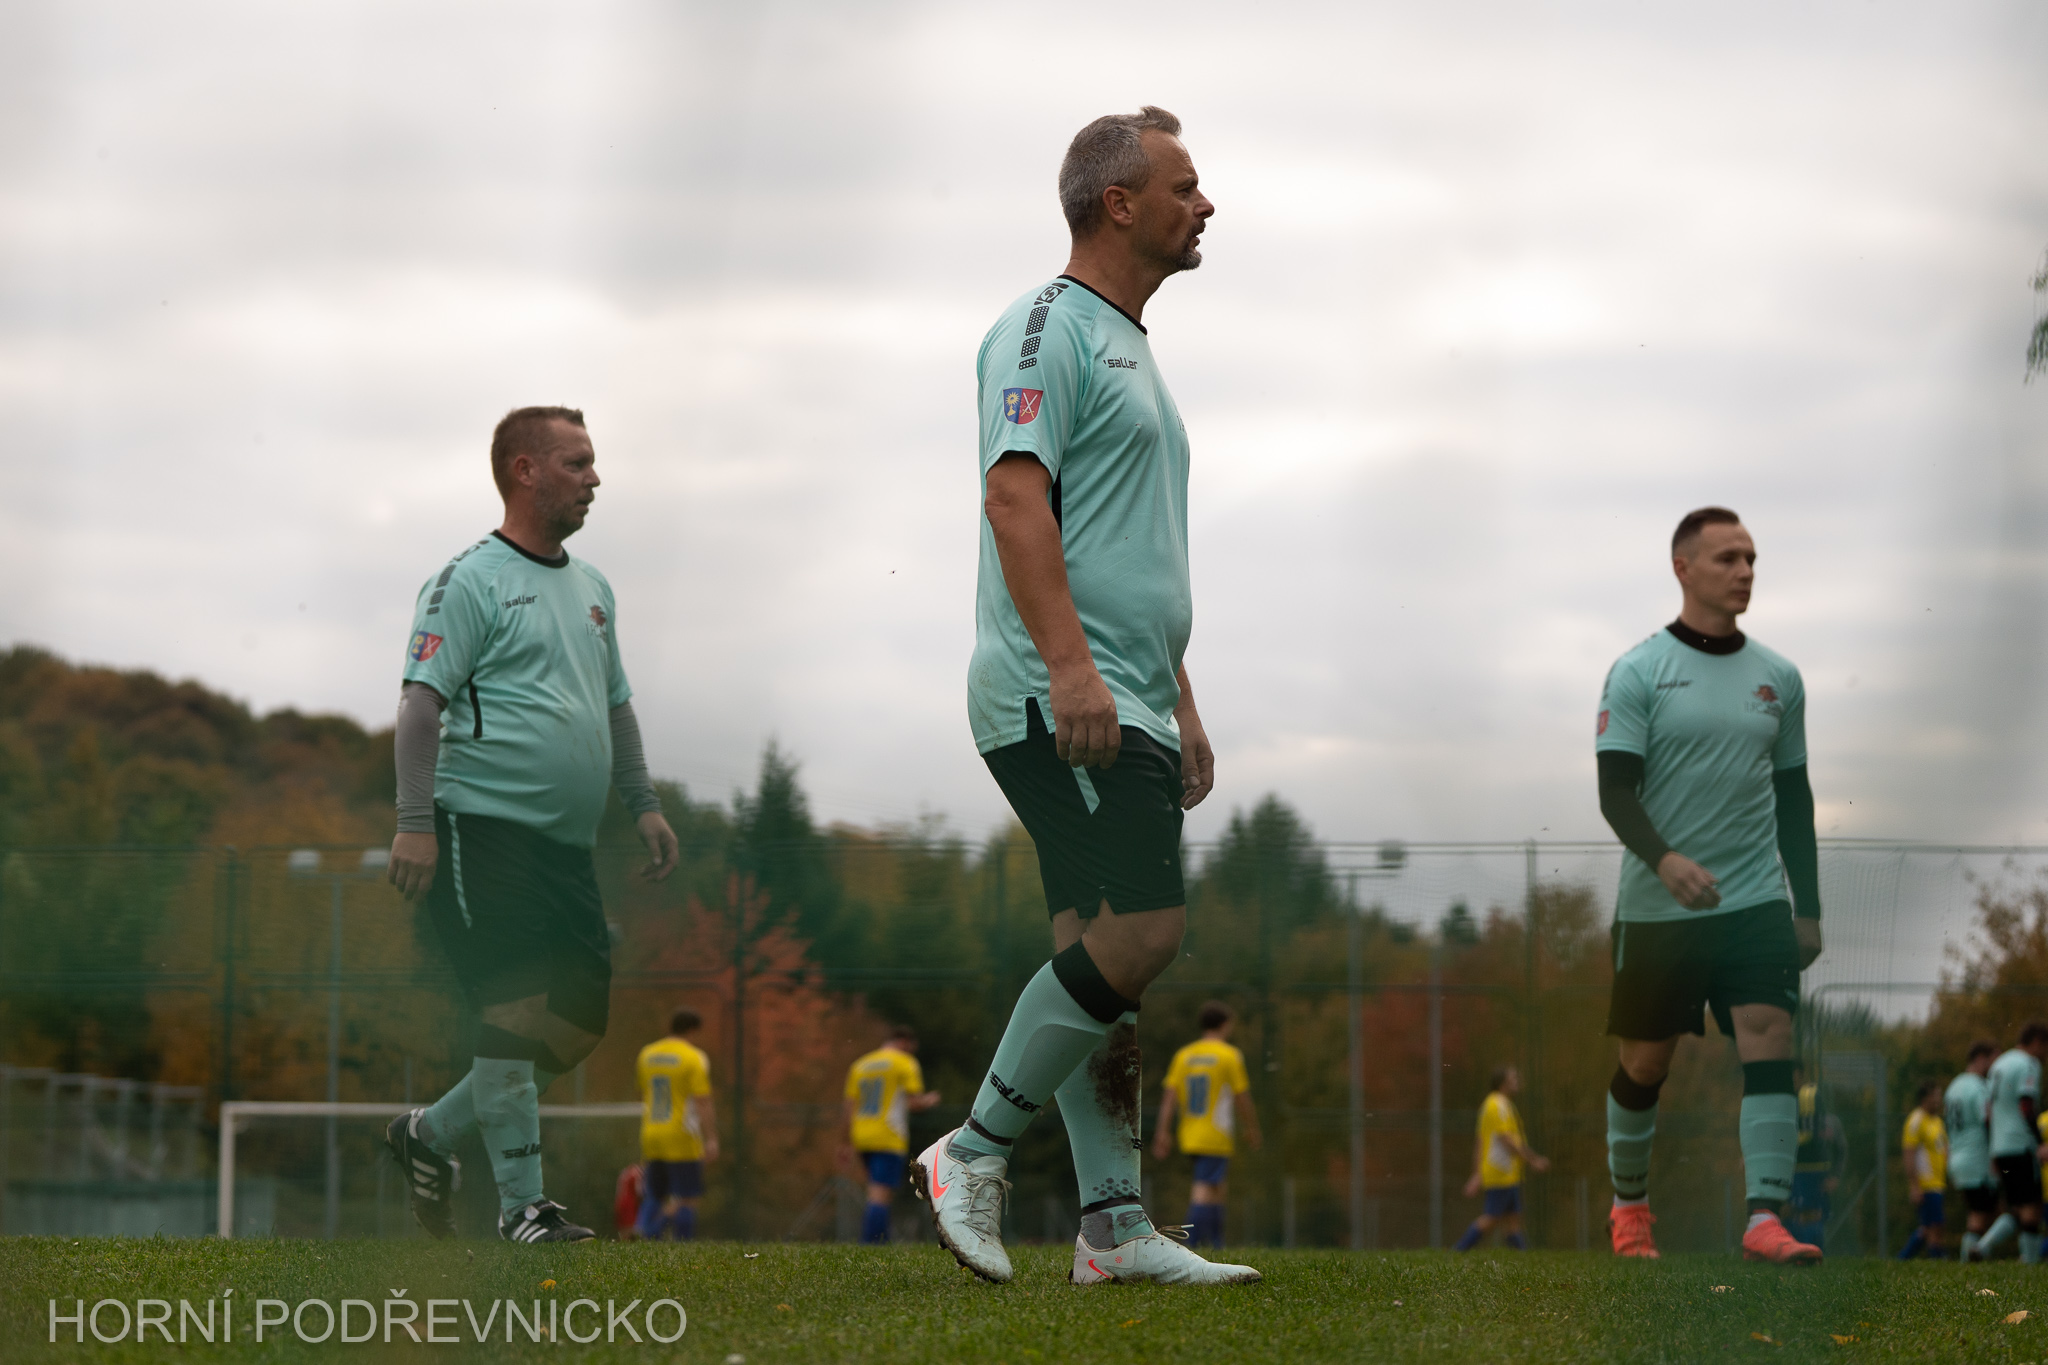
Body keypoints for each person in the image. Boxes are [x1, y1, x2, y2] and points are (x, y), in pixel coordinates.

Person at [913, 106, 1257, 1288]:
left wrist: (1180, 699)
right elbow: (1015, 500)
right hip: (1054, 693)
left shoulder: (1133, 347)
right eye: (1182, 186)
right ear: (1118, 203)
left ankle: (1111, 1228)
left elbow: (1125, 549)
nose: (1203, 206)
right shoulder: (1044, 326)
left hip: (1127, 694)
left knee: (1096, 953)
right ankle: (970, 1150)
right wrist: (1070, 668)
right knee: (1141, 934)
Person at [381, 406, 679, 1244]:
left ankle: (429, 1134)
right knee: (513, 1010)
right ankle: (524, 1209)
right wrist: (413, 821)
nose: (595, 478)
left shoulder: (595, 588)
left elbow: (615, 706)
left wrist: (643, 802)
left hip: (565, 848)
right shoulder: (467, 580)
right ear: (525, 470)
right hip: (480, 830)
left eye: (592, 462)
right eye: (576, 462)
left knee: (578, 1022)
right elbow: (419, 705)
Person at [1593, 507, 1824, 1264]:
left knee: (1770, 1040)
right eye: (1728, 558)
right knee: (1646, 1064)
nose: (1745, 571)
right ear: (1683, 568)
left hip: (1754, 900)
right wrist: (1664, 861)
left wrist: (1808, 907)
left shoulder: (1780, 678)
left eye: (1751, 558)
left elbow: (1794, 800)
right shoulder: (1638, 670)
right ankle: (1630, 1210)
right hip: (1658, 908)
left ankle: (1765, 1220)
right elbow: (1615, 792)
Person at [1152, 1002, 1262, 1248]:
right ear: (1225, 1025)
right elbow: (1242, 1097)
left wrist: (1163, 1132)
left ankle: (1215, 1244)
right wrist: (1252, 1128)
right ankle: (1188, 1244)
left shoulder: (1184, 1055)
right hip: (1216, 1133)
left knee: (1217, 1188)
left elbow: (1169, 1097)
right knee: (1203, 1189)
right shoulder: (1229, 1055)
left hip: (1190, 1133)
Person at [840, 1025, 940, 1244]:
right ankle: (872, 1243)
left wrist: (845, 1142)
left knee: (875, 1190)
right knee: (880, 1194)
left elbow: (849, 1106)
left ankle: (881, 1239)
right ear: (905, 1043)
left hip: (861, 1135)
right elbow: (914, 1103)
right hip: (888, 1134)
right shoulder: (904, 1063)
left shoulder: (861, 1064)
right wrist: (929, 1101)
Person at [636, 1008, 718, 1241]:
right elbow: (702, 1101)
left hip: (651, 1133)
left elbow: (642, 1093)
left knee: (655, 1194)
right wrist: (711, 1138)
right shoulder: (693, 1057)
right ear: (692, 1030)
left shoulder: (647, 1054)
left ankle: (640, 1233)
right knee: (688, 1197)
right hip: (682, 1134)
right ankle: (671, 1240)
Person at [1454, 1065, 1550, 1252]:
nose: (1518, 1082)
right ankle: (1458, 1250)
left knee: (1513, 1220)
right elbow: (1507, 1140)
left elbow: (1481, 1141)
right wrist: (1533, 1160)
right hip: (1500, 1171)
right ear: (1502, 1083)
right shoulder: (1497, 1105)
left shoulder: (1501, 1104)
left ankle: (1523, 1258)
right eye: (1513, 1079)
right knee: (1491, 1218)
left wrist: (1476, 1173)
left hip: (1507, 1173)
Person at [1977, 1021, 2048, 1261]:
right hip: (2021, 1144)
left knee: (2016, 1206)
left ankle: (1982, 1246)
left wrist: (1992, 1149)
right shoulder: (2028, 1063)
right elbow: (2026, 1105)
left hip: (2000, 1146)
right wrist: (2040, 1142)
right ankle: (2029, 1263)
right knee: (2032, 1206)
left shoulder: (1999, 1064)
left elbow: (1988, 1114)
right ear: (2037, 1042)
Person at [1786, 1062, 1846, 1252]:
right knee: (1791, 1213)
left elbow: (1841, 1149)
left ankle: (1812, 1253)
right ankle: (1794, 1252)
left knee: (1813, 1214)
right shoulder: (1787, 1109)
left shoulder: (1828, 1121)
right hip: (1793, 1173)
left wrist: (1835, 1176)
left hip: (1816, 1174)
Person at [1947, 1040, 1998, 1260]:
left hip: (1957, 1157)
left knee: (1980, 1213)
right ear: (1980, 1058)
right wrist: (1997, 1151)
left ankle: (1974, 1257)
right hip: (1976, 1158)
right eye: (1991, 1060)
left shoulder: (1954, 1086)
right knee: (1982, 1214)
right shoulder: (1978, 1086)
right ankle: (1970, 1259)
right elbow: (1988, 1120)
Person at [1897, 1081, 1948, 1259]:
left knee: (1929, 1227)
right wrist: (1914, 1185)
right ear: (1925, 1098)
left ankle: (1903, 1259)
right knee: (1934, 1226)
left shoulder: (1937, 1121)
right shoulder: (1916, 1120)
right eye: (1936, 1096)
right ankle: (1936, 1259)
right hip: (1926, 1183)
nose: (1939, 1100)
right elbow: (1909, 1153)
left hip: (1938, 1182)